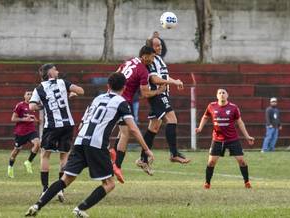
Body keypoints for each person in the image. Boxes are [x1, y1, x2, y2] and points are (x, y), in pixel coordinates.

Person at [25, 72, 154, 217]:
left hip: (80, 141)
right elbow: (133, 129)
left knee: (65, 179)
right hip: (96, 144)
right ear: (124, 87)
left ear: (108, 86)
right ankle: (80, 209)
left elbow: (84, 121)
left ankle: (37, 205)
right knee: (109, 184)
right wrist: (147, 149)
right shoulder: (121, 103)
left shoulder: (98, 98)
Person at [111, 45, 168, 183]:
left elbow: (116, 73)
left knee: (119, 130)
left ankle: (112, 153)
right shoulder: (143, 70)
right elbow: (145, 93)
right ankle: (117, 165)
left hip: (112, 95)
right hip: (123, 101)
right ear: (145, 56)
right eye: (152, 57)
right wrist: (159, 91)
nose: (153, 60)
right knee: (126, 133)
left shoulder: (130, 61)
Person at [29, 63, 84, 202]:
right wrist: (68, 94)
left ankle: (45, 189)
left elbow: (32, 106)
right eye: (55, 69)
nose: (57, 71)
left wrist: (45, 104)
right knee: (64, 157)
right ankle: (60, 189)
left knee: (45, 155)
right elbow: (81, 91)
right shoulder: (62, 83)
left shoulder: (39, 89)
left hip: (52, 125)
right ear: (50, 73)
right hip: (67, 124)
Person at [136, 37, 190, 176]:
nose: (160, 47)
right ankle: (173, 153)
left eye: (160, 45)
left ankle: (143, 159)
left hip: (162, 94)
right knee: (172, 119)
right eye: (157, 45)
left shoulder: (158, 58)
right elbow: (154, 79)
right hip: (158, 95)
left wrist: (175, 81)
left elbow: (164, 77)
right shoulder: (151, 61)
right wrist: (170, 83)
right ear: (150, 47)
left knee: (153, 128)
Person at [195, 88, 255, 189]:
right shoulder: (211, 106)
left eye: (223, 93)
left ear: (227, 95)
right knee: (211, 162)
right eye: (219, 93)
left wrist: (247, 136)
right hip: (217, 139)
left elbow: (240, 122)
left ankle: (247, 182)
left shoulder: (233, 107)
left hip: (232, 139)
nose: (222, 94)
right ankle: (207, 183)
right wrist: (200, 127)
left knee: (241, 161)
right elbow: (205, 117)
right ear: (217, 96)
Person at [7, 91, 40, 178]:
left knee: (37, 144)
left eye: (31, 94)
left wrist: (36, 120)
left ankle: (28, 162)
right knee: (16, 152)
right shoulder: (20, 105)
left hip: (31, 131)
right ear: (24, 96)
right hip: (20, 132)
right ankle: (10, 167)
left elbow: (36, 120)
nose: (30, 96)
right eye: (28, 94)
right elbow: (13, 119)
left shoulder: (34, 106)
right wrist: (24, 119)